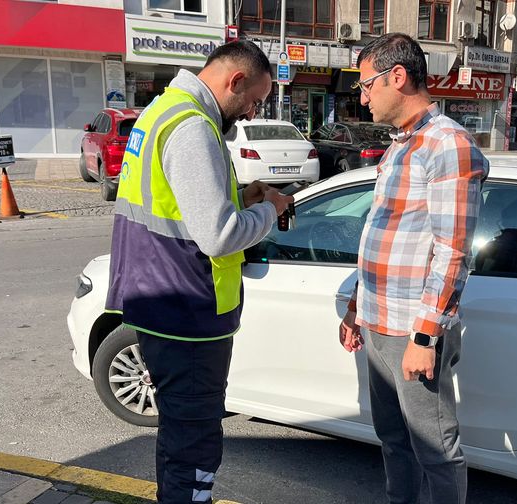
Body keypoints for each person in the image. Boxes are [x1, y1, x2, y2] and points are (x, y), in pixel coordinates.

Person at [105, 41, 293, 504]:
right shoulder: (192, 127)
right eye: (253, 100)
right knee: (195, 446)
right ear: (235, 81)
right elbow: (219, 235)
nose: (251, 113)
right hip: (187, 312)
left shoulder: (162, 112)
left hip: (161, 299)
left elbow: (181, 208)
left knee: (179, 439)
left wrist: (240, 197)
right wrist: (270, 208)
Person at [338, 33, 489, 504]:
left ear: (397, 77)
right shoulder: (402, 144)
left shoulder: (447, 145)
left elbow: (452, 251)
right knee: (392, 435)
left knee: (435, 446)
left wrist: (424, 337)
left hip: (412, 329)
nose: (362, 98)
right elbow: (385, 235)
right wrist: (355, 309)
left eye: (365, 86)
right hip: (379, 321)